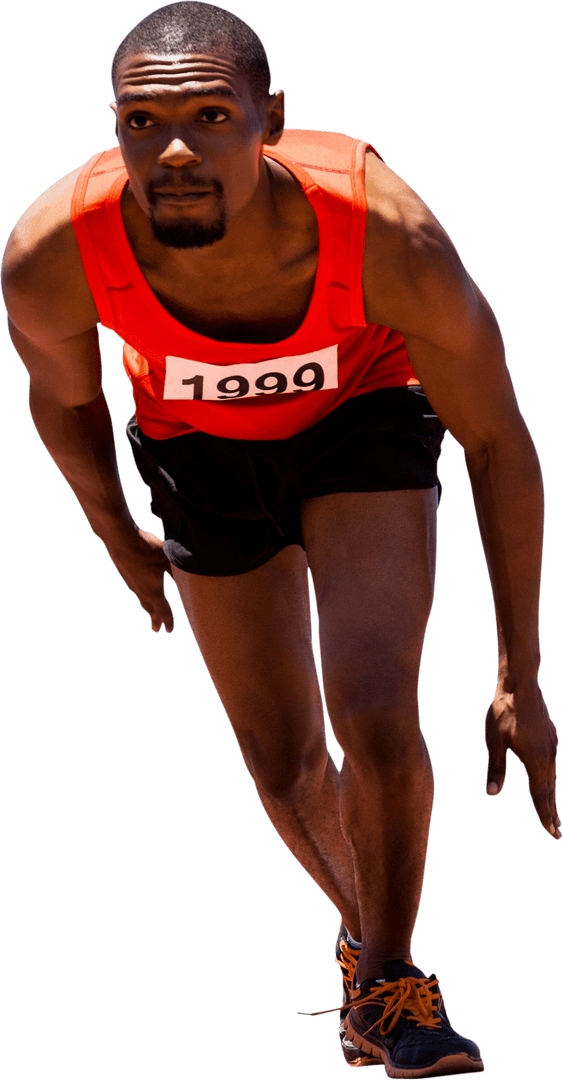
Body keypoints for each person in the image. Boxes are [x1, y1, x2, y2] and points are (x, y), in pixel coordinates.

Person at [2, 2, 559, 1075]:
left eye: (211, 114)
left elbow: (497, 441)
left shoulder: (386, 234)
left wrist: (518, 672)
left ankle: (397, 996)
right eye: (141, 121)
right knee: (281, 759)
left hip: (359, 415)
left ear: (270, 119)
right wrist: (116, 529)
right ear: (111, 127)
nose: (173, 150)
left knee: (374, 710)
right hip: (196, 449)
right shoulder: (52, 250)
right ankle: (370, 948)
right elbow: (61, 403)